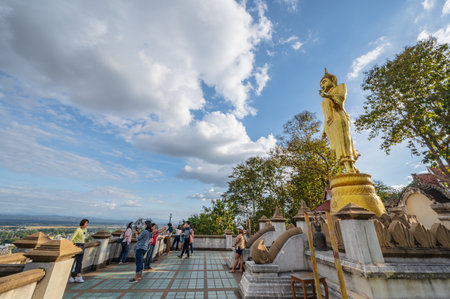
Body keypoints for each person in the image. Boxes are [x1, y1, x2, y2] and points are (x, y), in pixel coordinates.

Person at [319, 68, 359, 173]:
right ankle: (351, 168)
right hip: (330, 124)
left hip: (338, 117)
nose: (322, 86)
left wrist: (328, 96)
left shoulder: (340, 87)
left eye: (324, 82)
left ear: (333, 80)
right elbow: (326, 114)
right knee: (336, 147)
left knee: (343, 142)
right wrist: (324, 130)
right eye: (321, 85)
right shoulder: (325, 99)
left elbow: (340, 101)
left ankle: (350, 167)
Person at [69, 218, 89, 283]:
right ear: (82, 223)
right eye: (86, 223)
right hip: (77, 245)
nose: (86, 225)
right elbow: (72, 238)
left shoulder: (85, 230)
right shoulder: (78, 230)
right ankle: (71, 275)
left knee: (79, 262)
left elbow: (84, 237)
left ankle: (78, 275)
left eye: (87, 224)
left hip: (82, 246)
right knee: (74, 261)